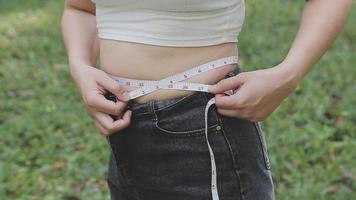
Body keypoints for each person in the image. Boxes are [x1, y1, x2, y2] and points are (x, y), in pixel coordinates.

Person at [61, 0, 352, 199]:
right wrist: (80, 66)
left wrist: (288, 74)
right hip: (125, 136)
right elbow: (80, 8)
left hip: (203, 130)